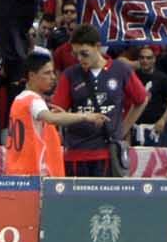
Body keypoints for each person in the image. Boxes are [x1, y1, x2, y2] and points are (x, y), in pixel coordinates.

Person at [53, 25, 147, 176]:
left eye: (84, 54)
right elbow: (56, 114)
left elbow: (141, 99)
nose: (80, 59)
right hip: (77, 152)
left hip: (108, 152)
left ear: (97, 47)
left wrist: (122, 129)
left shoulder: (120, 69)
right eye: (76, 54)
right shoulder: (70, 74)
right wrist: (82, 117)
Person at [5, 50, 105, 177]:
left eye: (53, 72)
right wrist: (85, 116)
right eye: (47, 73)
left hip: (16, 172)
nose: (53, 77)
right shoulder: (34, 101)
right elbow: (51, 118)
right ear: (32, 75)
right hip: (33, 175)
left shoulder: (19, 99)